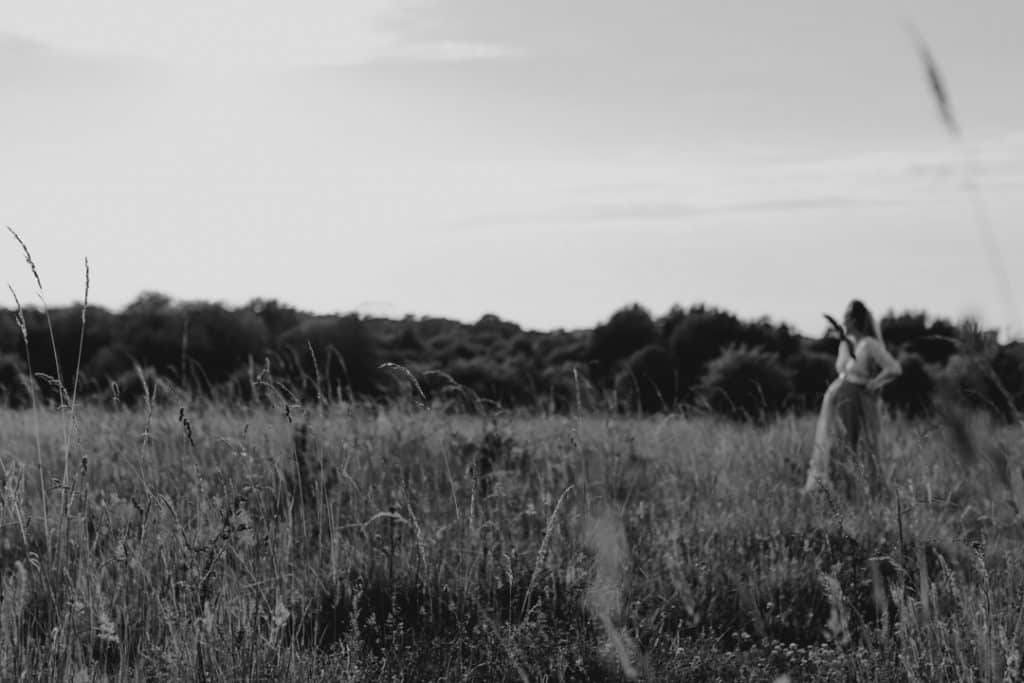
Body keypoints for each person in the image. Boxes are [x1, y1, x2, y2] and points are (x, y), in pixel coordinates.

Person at [803, 300, 903, 497]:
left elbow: (895, 368)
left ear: (855, 320)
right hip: (838, 396)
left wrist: (875, 383)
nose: (843, 321)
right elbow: (842, 370)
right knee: (837, 442)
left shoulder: (869, 344)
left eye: (846, 318)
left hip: (857, 398)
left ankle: (864, 490)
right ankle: (842, 488)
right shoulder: (845, 344)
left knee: (856, 443)